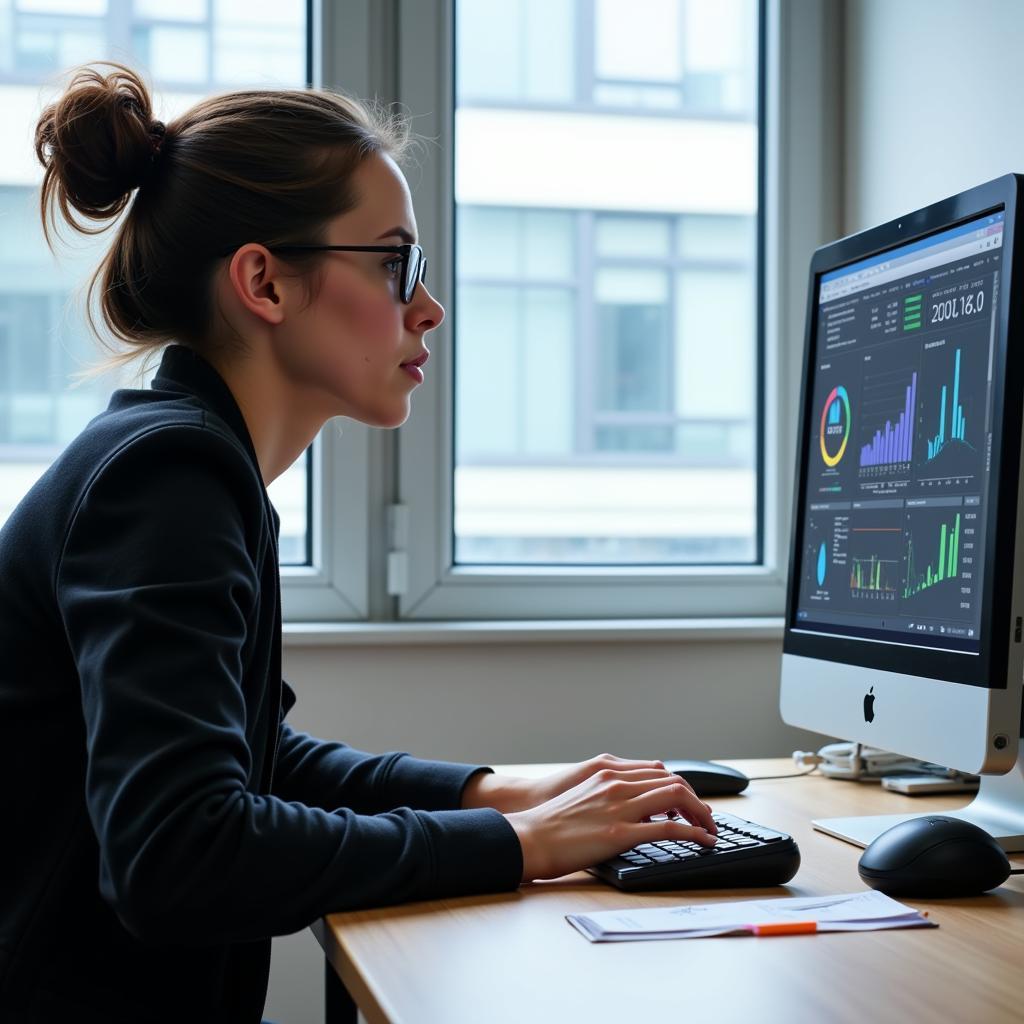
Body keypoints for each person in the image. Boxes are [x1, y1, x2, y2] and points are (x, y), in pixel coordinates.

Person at [0, 63, 718, 1023]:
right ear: (263, 281)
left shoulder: (183, 458)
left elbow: (251, 760)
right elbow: (180, 854)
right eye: (393, 264)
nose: (429, 307)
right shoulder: (167, 478)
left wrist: (502, 793)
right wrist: (526, 844)